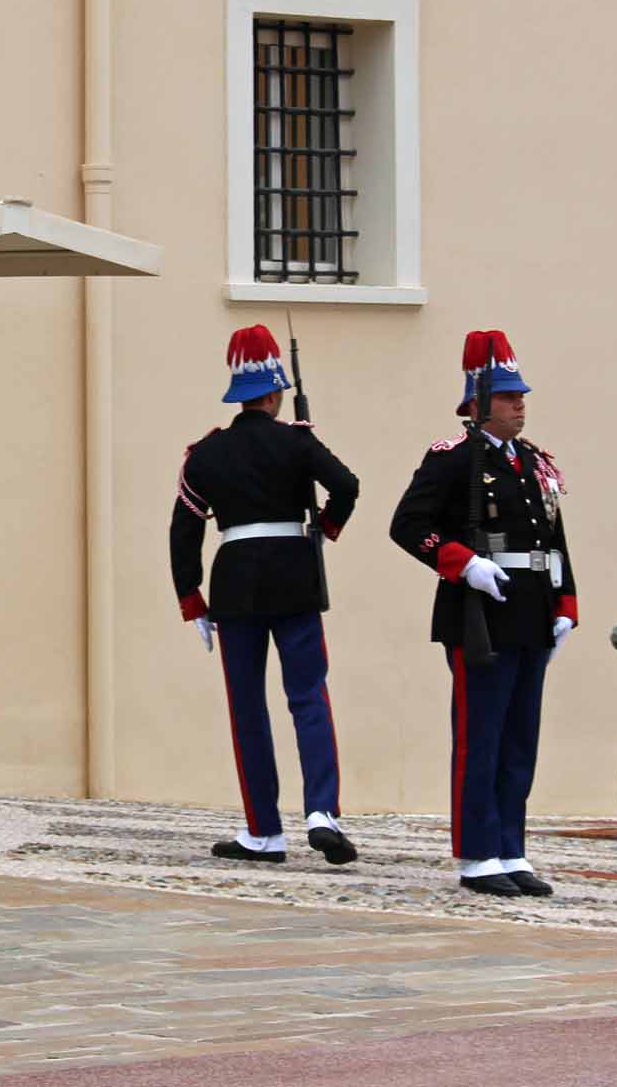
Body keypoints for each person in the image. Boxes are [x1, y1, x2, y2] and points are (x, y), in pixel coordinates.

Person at [390, 330, 577, 898]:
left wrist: (566, 603)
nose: (520, 404)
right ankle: (477, 854)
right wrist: (463, 564)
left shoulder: (535, 463)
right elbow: (407, 526)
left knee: (521, 737)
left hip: (531, 611)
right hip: (482, 612)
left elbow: (555, 536)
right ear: (478, 401)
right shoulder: (454, 460)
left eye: (521, 396)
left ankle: (510, 848)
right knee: (481, 736)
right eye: (508, 396)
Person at [170, 324, 361, 865]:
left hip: (234, 583)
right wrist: (325, 526)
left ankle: (264, 830)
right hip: (294, 575)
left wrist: (192, 597)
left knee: (247, 708)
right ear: (275, 394)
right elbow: (347, 485)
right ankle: (322, 810)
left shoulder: (205, 454)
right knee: (308, 697)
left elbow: (184, 527)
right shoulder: (296, 440)